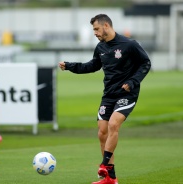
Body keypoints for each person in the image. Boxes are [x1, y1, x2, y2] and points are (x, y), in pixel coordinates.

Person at [59, 14, 151, 184]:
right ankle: (111, 178)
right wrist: (70, 66)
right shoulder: (100, 47)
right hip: (109, 94)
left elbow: (146, 63)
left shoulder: (129, 44)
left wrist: (132, 81)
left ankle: (104, 165)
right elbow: (92, 66)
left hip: (127, 93)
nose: (94, 32)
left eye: (96, 29)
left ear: (106, 26)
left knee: (113, 124)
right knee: (102, 133)